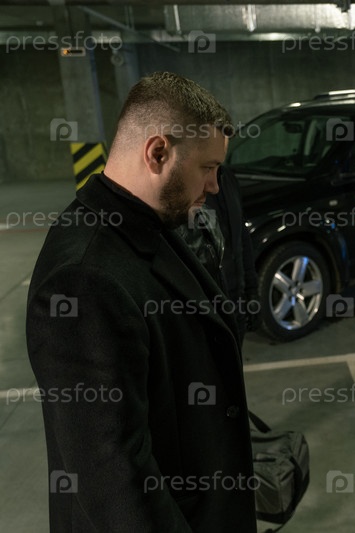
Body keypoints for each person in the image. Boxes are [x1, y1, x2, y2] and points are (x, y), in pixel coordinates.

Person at [26, 72, 257, 532]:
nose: (215, 185)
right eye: (207, 167)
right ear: (157, 153)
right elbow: (112, 476)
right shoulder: (84, 280)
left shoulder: (144, 224)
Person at [177, 165, 260, 344]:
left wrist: (251, 291)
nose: (213, 186)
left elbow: (241, 238)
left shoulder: (228, 178)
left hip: (236, 301)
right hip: (209, 308)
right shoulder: (190, 186)